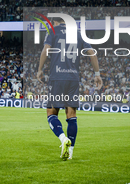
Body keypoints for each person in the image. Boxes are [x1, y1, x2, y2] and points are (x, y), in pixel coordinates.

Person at [37, 16, 102, 161]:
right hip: (73, 79)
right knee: (71, 115)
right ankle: (70, 151)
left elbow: (45, 50)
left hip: (57, 77)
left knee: (51, 112)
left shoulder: (52, 31)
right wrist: (97, 74)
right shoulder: (78, 33)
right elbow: (92, 53)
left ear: (54, 22)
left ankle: (62, 139)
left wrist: (40, 69)